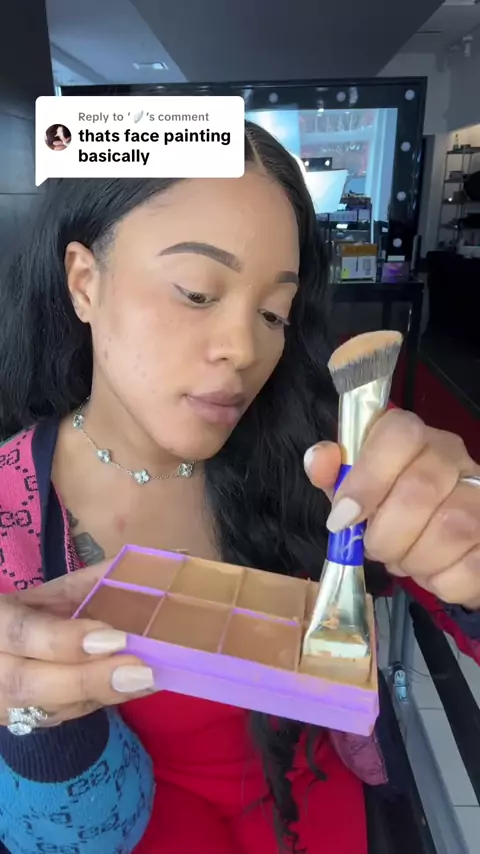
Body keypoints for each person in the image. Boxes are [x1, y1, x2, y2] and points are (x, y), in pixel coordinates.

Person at [0, 120, 479, 854]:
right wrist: (31, 723)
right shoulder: (12, 513)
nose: (245, 349)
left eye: (273, 313)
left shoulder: (323, 449)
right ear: (84, 281)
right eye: (197, 292)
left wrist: (465, 555)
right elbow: (65, 833)